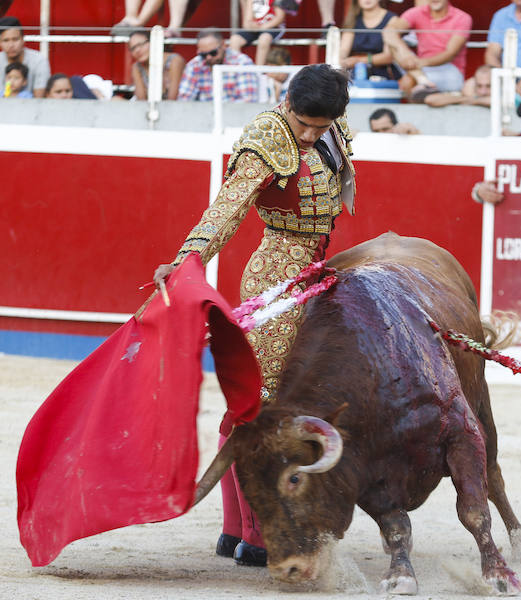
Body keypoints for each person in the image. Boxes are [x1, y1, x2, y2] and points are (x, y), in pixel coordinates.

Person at [152, 65, 354, 567]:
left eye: (319, 126)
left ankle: (235, 530)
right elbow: (228, 206)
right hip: (274, 274)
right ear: (286, 104)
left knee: (291, 397)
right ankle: (250, 531)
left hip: (315, 273)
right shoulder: (268, 135)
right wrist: (187, 259)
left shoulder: (333, 130)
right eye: (303, 123)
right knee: (259, 404)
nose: (309, 135)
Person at [382, 0, 473, 102]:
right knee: (392, 45)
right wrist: (405, 53)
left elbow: (450, 53)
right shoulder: (417, 12)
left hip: (450, 71)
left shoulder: (462, 18)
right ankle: (422, 80)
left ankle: (422, 82)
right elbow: (389, 31)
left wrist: (420, 62)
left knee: (408, 81)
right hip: (421, 69)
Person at [177, 29, 260, 102]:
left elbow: (249, 99)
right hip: (202, 116)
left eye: (213, 53)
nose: (208, 57)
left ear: (223, 45)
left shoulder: (242, 62)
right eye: (203, 54)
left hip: (237, 116)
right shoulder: (194, 65)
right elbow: (184, 99)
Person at [339, 0, 400, 80]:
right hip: (355, 71)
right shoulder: (353, 18)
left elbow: (389, 56)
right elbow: (343, 50)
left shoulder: (392, 19)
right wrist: (341, 61)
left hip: (384, 72)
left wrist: (358, 60)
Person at [0, 17, 50, 98]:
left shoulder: (39, 61)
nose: (11, 45)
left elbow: (39, 100)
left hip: (30, 108)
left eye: (15, 39)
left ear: (23, 40)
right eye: (6, 40)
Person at [128, 28, 185, 100]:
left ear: (153, 41)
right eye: (133, 48)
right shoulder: (137, 67)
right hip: (148, 108)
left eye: (140, 44)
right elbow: (141, 101)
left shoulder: (174, 61)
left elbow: (173, 99)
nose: (137, 50)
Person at [229, 0, 288, 67]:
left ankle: (259, 71)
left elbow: (279, 18)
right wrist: (251, 25)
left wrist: (262, 27)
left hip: (273, 27)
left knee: (264, 38)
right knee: (234, 39)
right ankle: (237, 70)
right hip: (256, 28)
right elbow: (246, 22)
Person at [425, 63, 492, 107]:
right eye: (479, 86)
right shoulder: (468, 96)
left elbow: (493, 102)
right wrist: (467, 99)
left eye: (489, 86)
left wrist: (473, 100)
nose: (483, 92)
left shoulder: (501, 99)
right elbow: (430, 100)